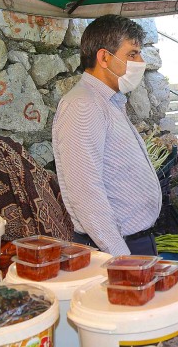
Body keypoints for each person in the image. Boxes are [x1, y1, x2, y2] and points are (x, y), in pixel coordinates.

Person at [52, 15, 161, 256]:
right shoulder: (83, 104)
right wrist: (122, 258)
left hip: (133, 242)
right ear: (104, 57)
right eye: (132, 54)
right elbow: (85, 192)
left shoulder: (108, 100)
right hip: (115, 248)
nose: (140, 62)